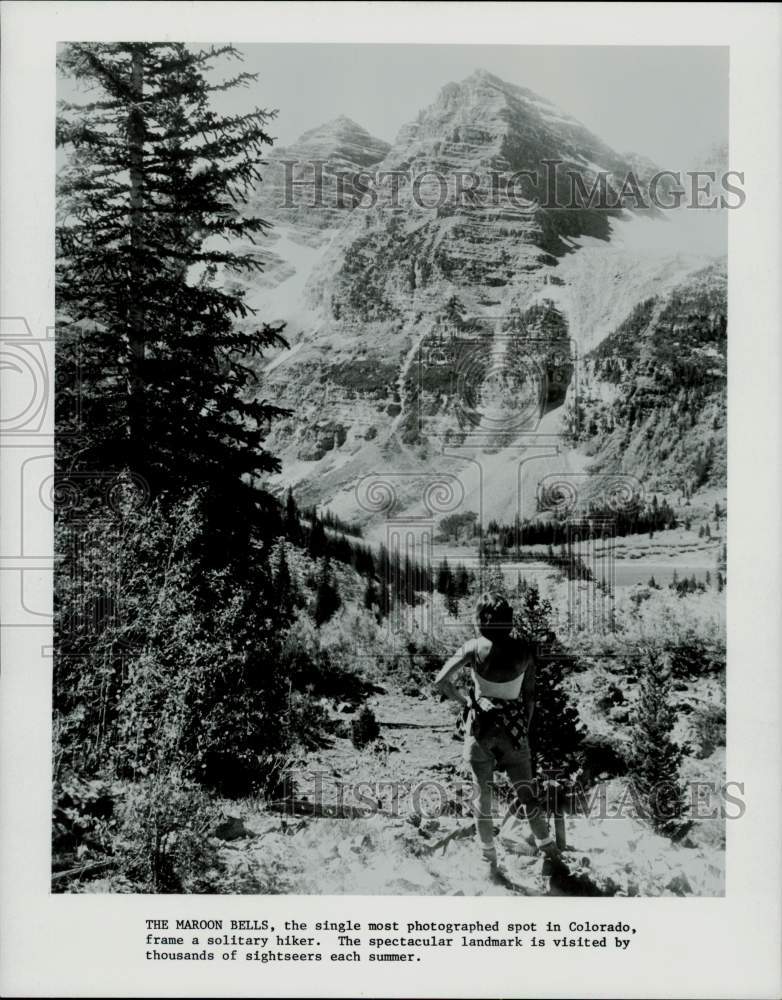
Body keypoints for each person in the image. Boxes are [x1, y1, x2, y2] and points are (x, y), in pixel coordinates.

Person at [435, 590, 560, 881]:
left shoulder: (472, 648)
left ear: (481, 620)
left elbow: (441, 681)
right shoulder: (525, 650)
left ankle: (488, 860)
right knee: (527, 795)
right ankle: (548, 850)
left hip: (481, 728)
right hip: (514, 729)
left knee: (483, 797)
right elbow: (529, 698)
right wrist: (522, 729)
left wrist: (465, 701)